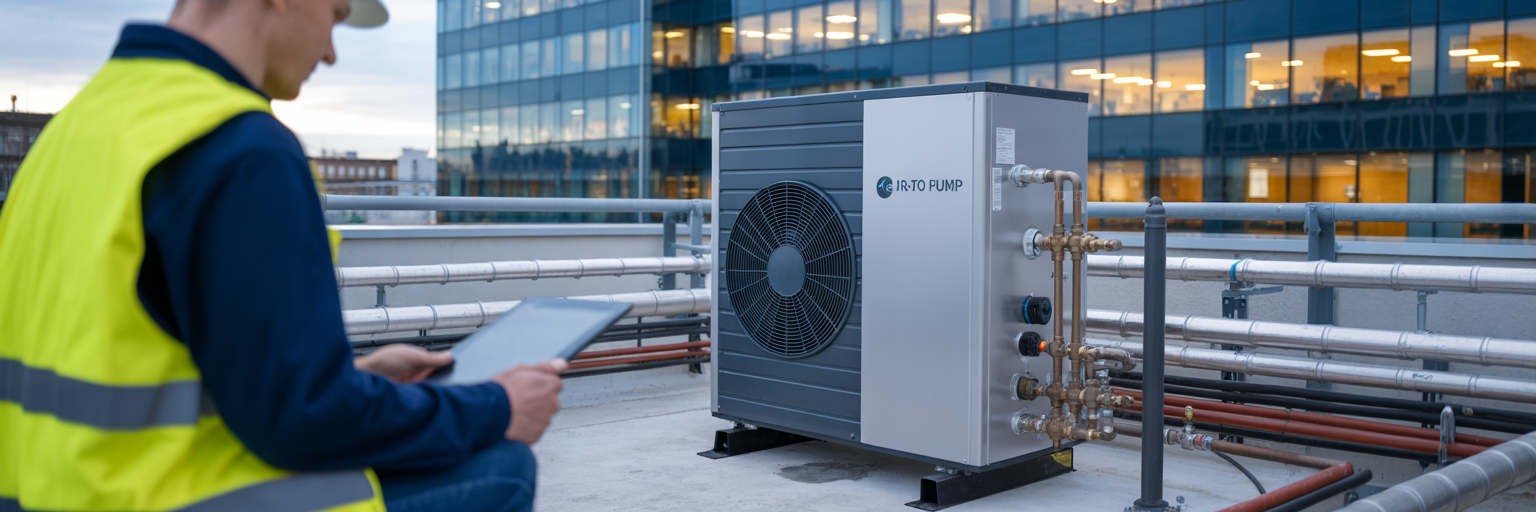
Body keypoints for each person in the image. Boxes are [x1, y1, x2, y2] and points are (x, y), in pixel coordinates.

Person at [0, 0, 564, 511]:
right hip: (172, 497)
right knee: (500, 468)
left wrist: (355, 375)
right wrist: (498, 406)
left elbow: (122, 352)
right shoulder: (240, 150)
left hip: (63, 491)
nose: (330, 52)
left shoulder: (73, 132)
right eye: (336, 15)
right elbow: (303, 420)